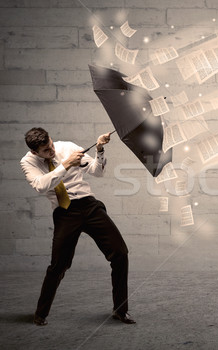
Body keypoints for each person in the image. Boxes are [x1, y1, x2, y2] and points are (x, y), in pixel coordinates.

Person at [20, 127, 135, 326]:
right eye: (46, 151)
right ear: (34, 152)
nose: (52, 151)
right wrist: (65, 165)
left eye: (51, 145)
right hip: (65, 213)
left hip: (88, 205)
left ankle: (120, 310)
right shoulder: (28, 162)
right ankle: (40, 313)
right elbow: (40, 185)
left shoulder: (68, 147)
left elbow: (97, 171)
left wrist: (99, 149)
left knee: (120, 253)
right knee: (59, 266)